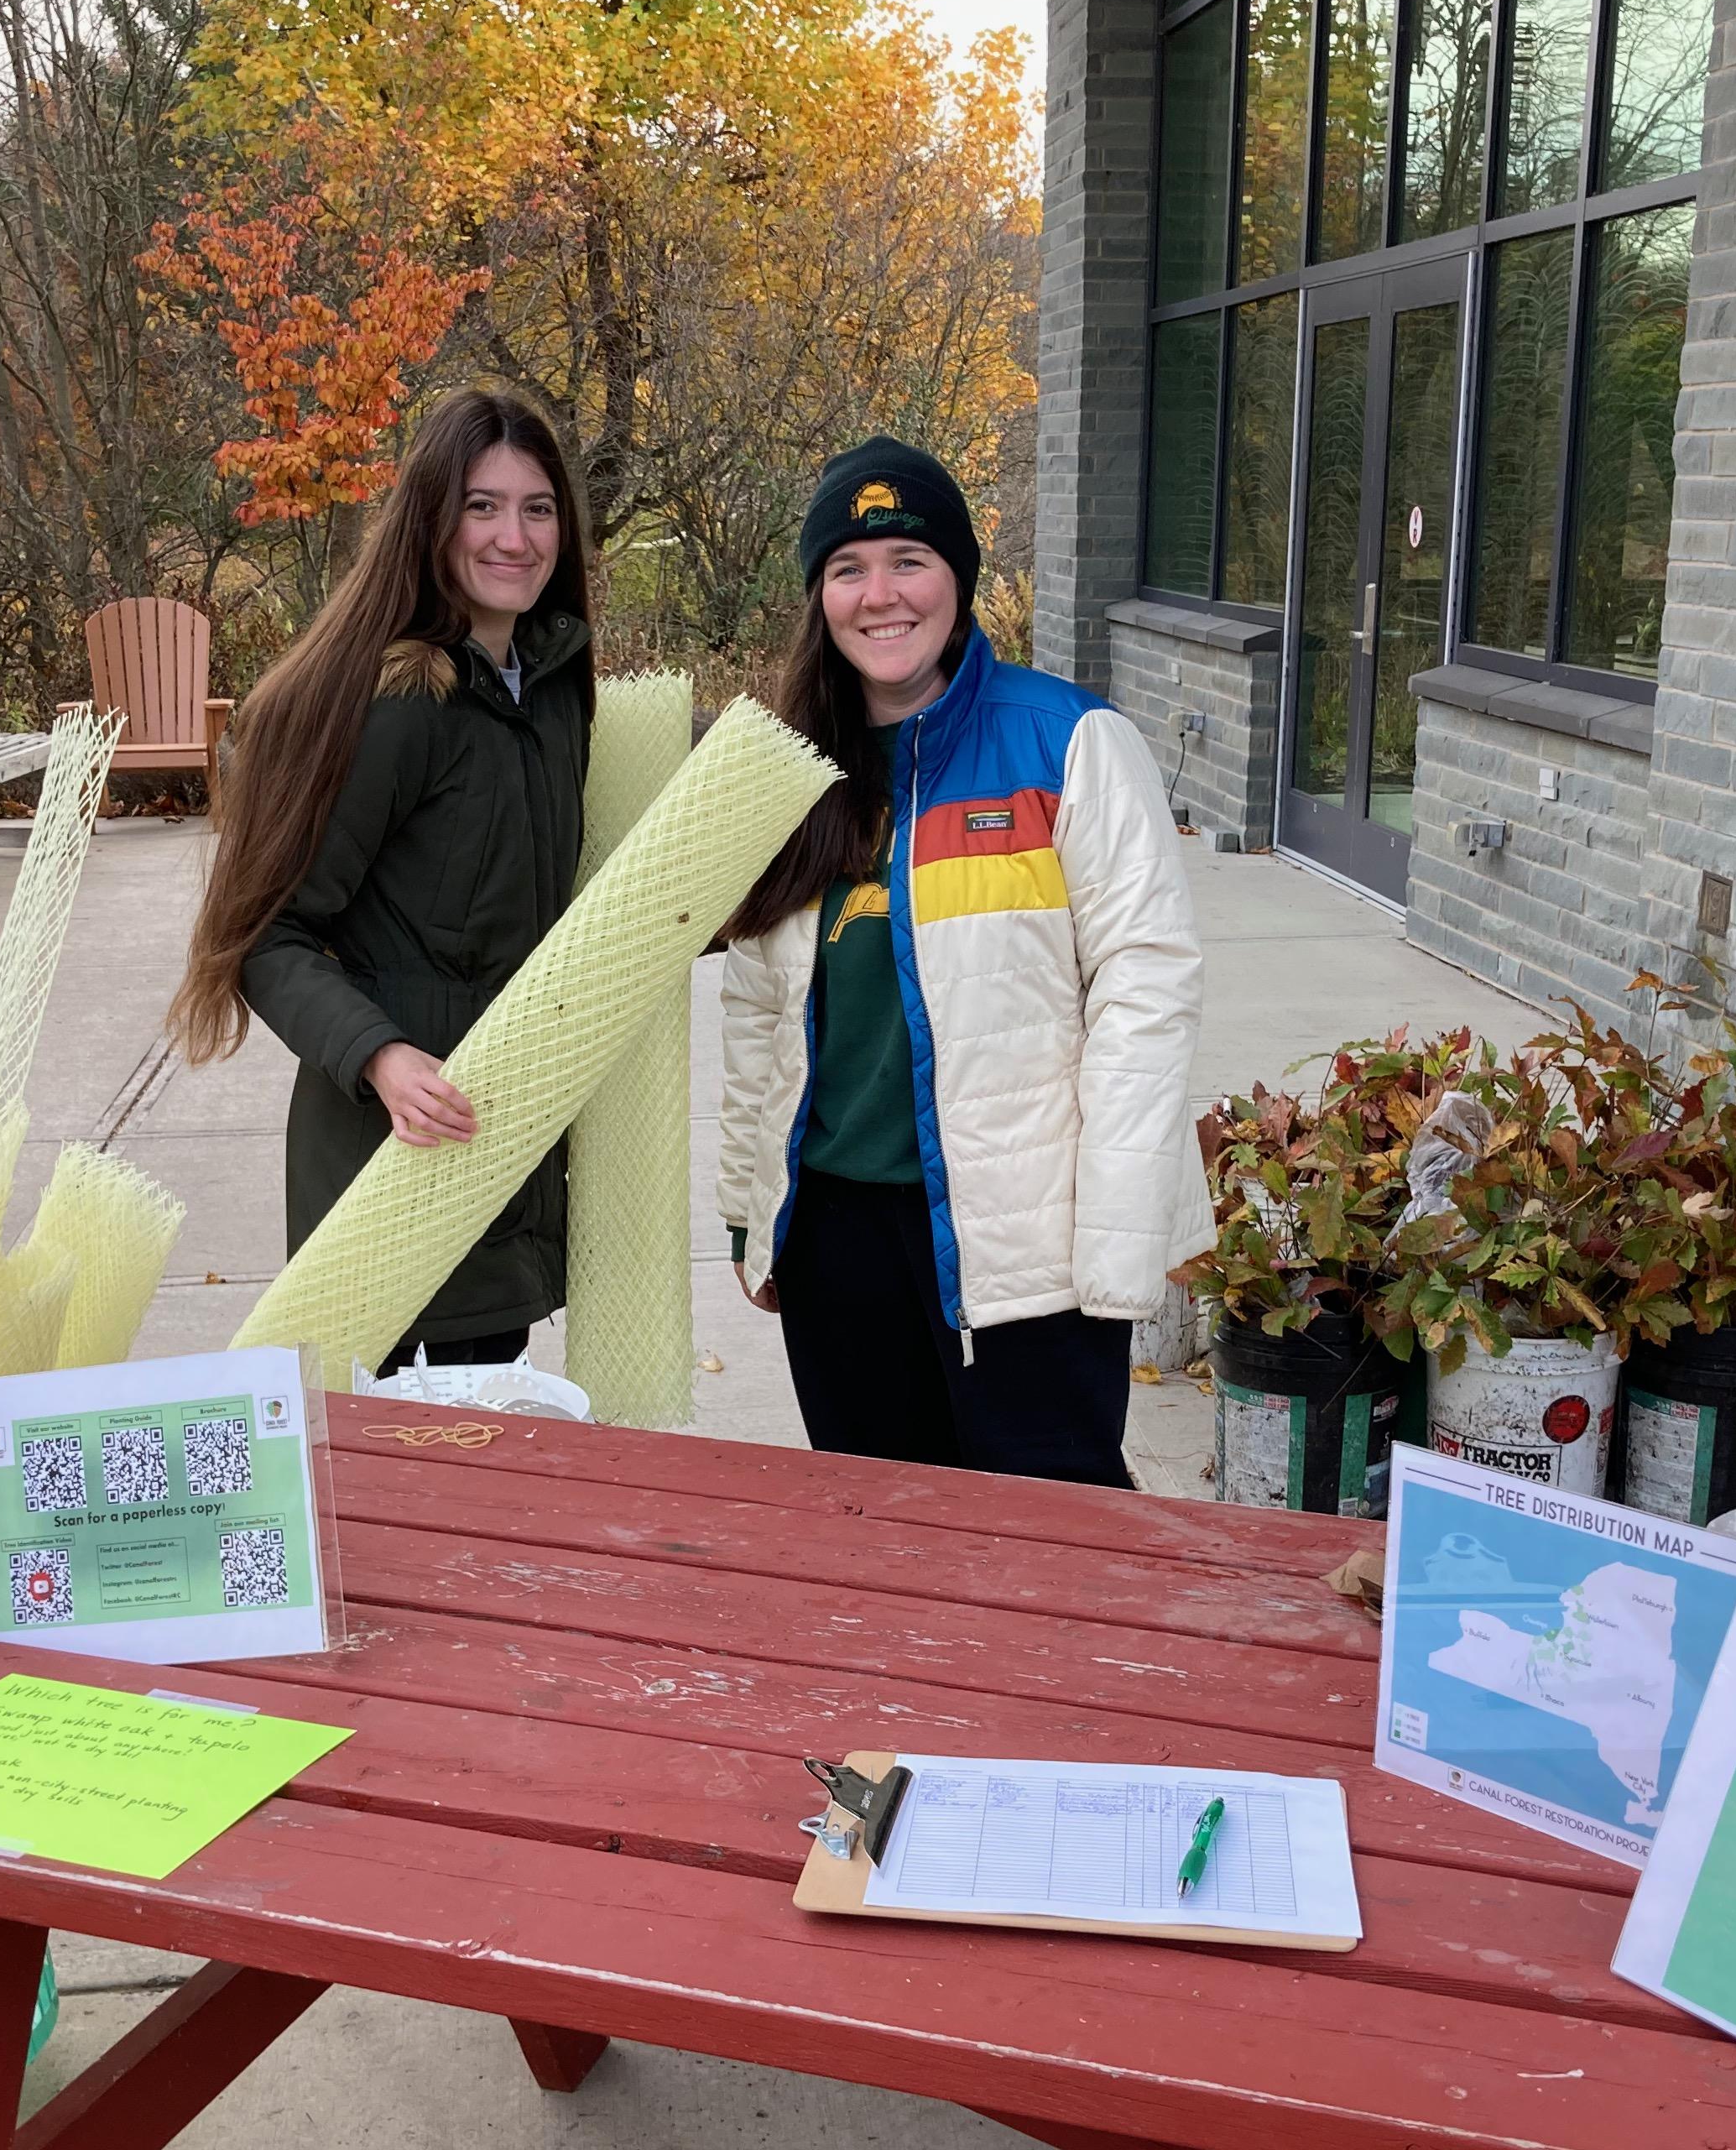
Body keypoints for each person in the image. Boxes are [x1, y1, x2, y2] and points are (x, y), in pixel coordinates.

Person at [716, 438, 1209, 1487]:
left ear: (958, 577)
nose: (880, 594)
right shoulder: (781, 773)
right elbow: (756, 1011)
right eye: (848, 568)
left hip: (1023, 1251)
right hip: (838, 1244)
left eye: (909, 559)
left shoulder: (1067, 743)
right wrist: (751, 1215)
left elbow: (1146, 996)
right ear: (819, 597)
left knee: (1050, 1554)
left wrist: (1114, 1251)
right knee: (886, 1546)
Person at [169, 389, 596, 1376]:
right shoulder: (399, 703)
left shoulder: (554, 686)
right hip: (390, 1156)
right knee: (401, 1476)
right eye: (481, 506)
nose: (514, 537)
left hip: (502, 1140)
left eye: (538, 508)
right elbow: (267, 941)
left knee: (484, 1451)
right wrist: (382, 1058)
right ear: (431, 519)